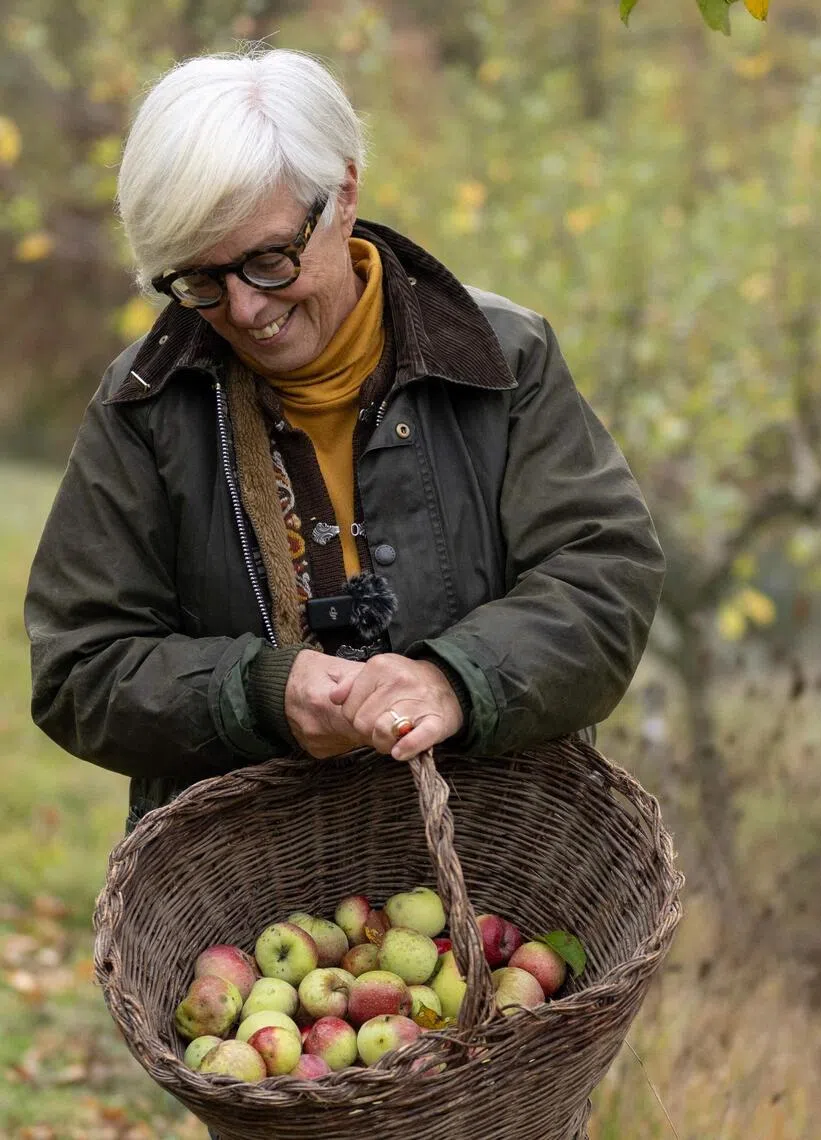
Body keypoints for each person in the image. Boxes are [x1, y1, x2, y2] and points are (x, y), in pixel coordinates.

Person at [23, 47, 665, 833]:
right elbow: (79, 667)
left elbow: (604, 575)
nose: (246, 311)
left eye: (268, 260)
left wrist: (454, 681)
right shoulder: (146, 403)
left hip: (499, 861)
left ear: (345, 195)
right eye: (199, 281)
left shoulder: (503, 358)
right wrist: (259, 691)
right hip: (242, 895)